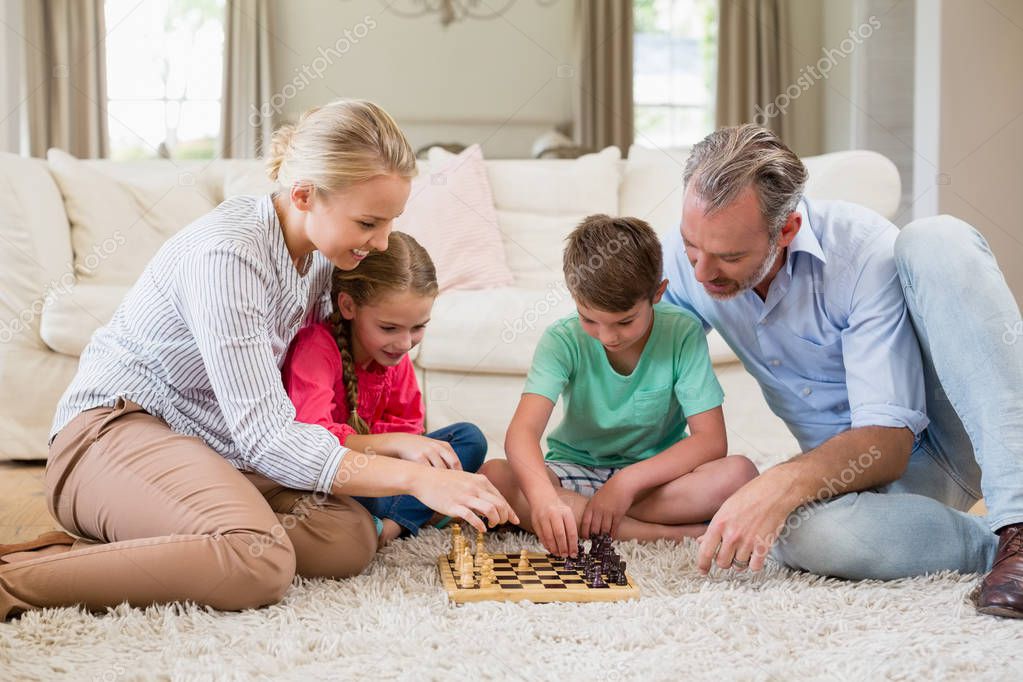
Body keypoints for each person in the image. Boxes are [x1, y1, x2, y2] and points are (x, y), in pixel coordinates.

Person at [0, 100, 516, 621]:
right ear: (304, 195)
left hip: (214, 447)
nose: (381, 242)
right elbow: (267, 435)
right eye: (368, 222)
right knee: (260, 561)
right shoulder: (229, 255)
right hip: (112, 433)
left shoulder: (319, 258)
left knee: (348, 539)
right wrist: (414, 479)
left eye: (390, 222)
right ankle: (13, 583)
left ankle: (132, 553)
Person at [662, 124, 1023, 618]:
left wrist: (778, 481)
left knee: (938, 237)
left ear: (786, 229)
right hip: (856, 480)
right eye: (691, 247)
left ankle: (1020, 525)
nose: (702, 273)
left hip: (936, 438)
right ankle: (989, 547)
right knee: (794, 533)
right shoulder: (694, 259)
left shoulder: (860, 252)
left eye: (729, 257)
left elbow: (887, 445)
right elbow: (641, 368)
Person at [482, 214, 757, 557]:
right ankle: (660, 534)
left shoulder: (682, 332)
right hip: (575, 471)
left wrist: (624, 484)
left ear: (658, 293)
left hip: (652, 481)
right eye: (589, 320)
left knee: (740, 474)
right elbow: (521, 434)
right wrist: (543, 502)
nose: (608, 336)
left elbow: (711, 441)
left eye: (625, 321)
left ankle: (599, 518)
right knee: (495, 476)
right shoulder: (561, 340)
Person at [282, 231, 488, 545]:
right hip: (339, 477)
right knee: (359, 498)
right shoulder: (317, 348)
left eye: (418, 327)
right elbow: (313, 440)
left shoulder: (394, 357)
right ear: (348, 306)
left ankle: (390, 525)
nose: (405, 343)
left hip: (390, 477)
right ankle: (412, 516)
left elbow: (409, 428)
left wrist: (408, 452)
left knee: (468, 439)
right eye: (389, 328)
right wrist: (399, 448)